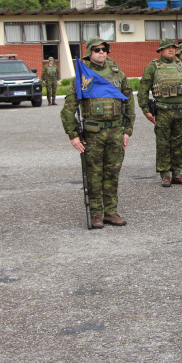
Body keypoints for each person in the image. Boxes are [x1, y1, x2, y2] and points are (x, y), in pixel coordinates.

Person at [60, 37, 135, 228]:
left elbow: (129, 102)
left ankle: (110, 212)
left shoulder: (118, 74)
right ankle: (96, 214)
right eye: (97, 50)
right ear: (89, 53)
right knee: (94, 174)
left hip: (115, 132)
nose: (102, 52)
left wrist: (127, 130)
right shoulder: (82, 75)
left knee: (112, 173)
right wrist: (73, 135)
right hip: (93, 134)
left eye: (104, 49)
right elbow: (68, 109)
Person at [138, 38, 182, 186]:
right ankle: (165, 174)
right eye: (168, 48)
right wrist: (145, 110)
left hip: (180, 111)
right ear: (161, 50)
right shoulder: (153, 66)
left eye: (173, 48)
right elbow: (143, 90)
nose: (171, 50)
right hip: (162, 112)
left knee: (179, 143)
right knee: (163, 144)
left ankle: (176, 173)